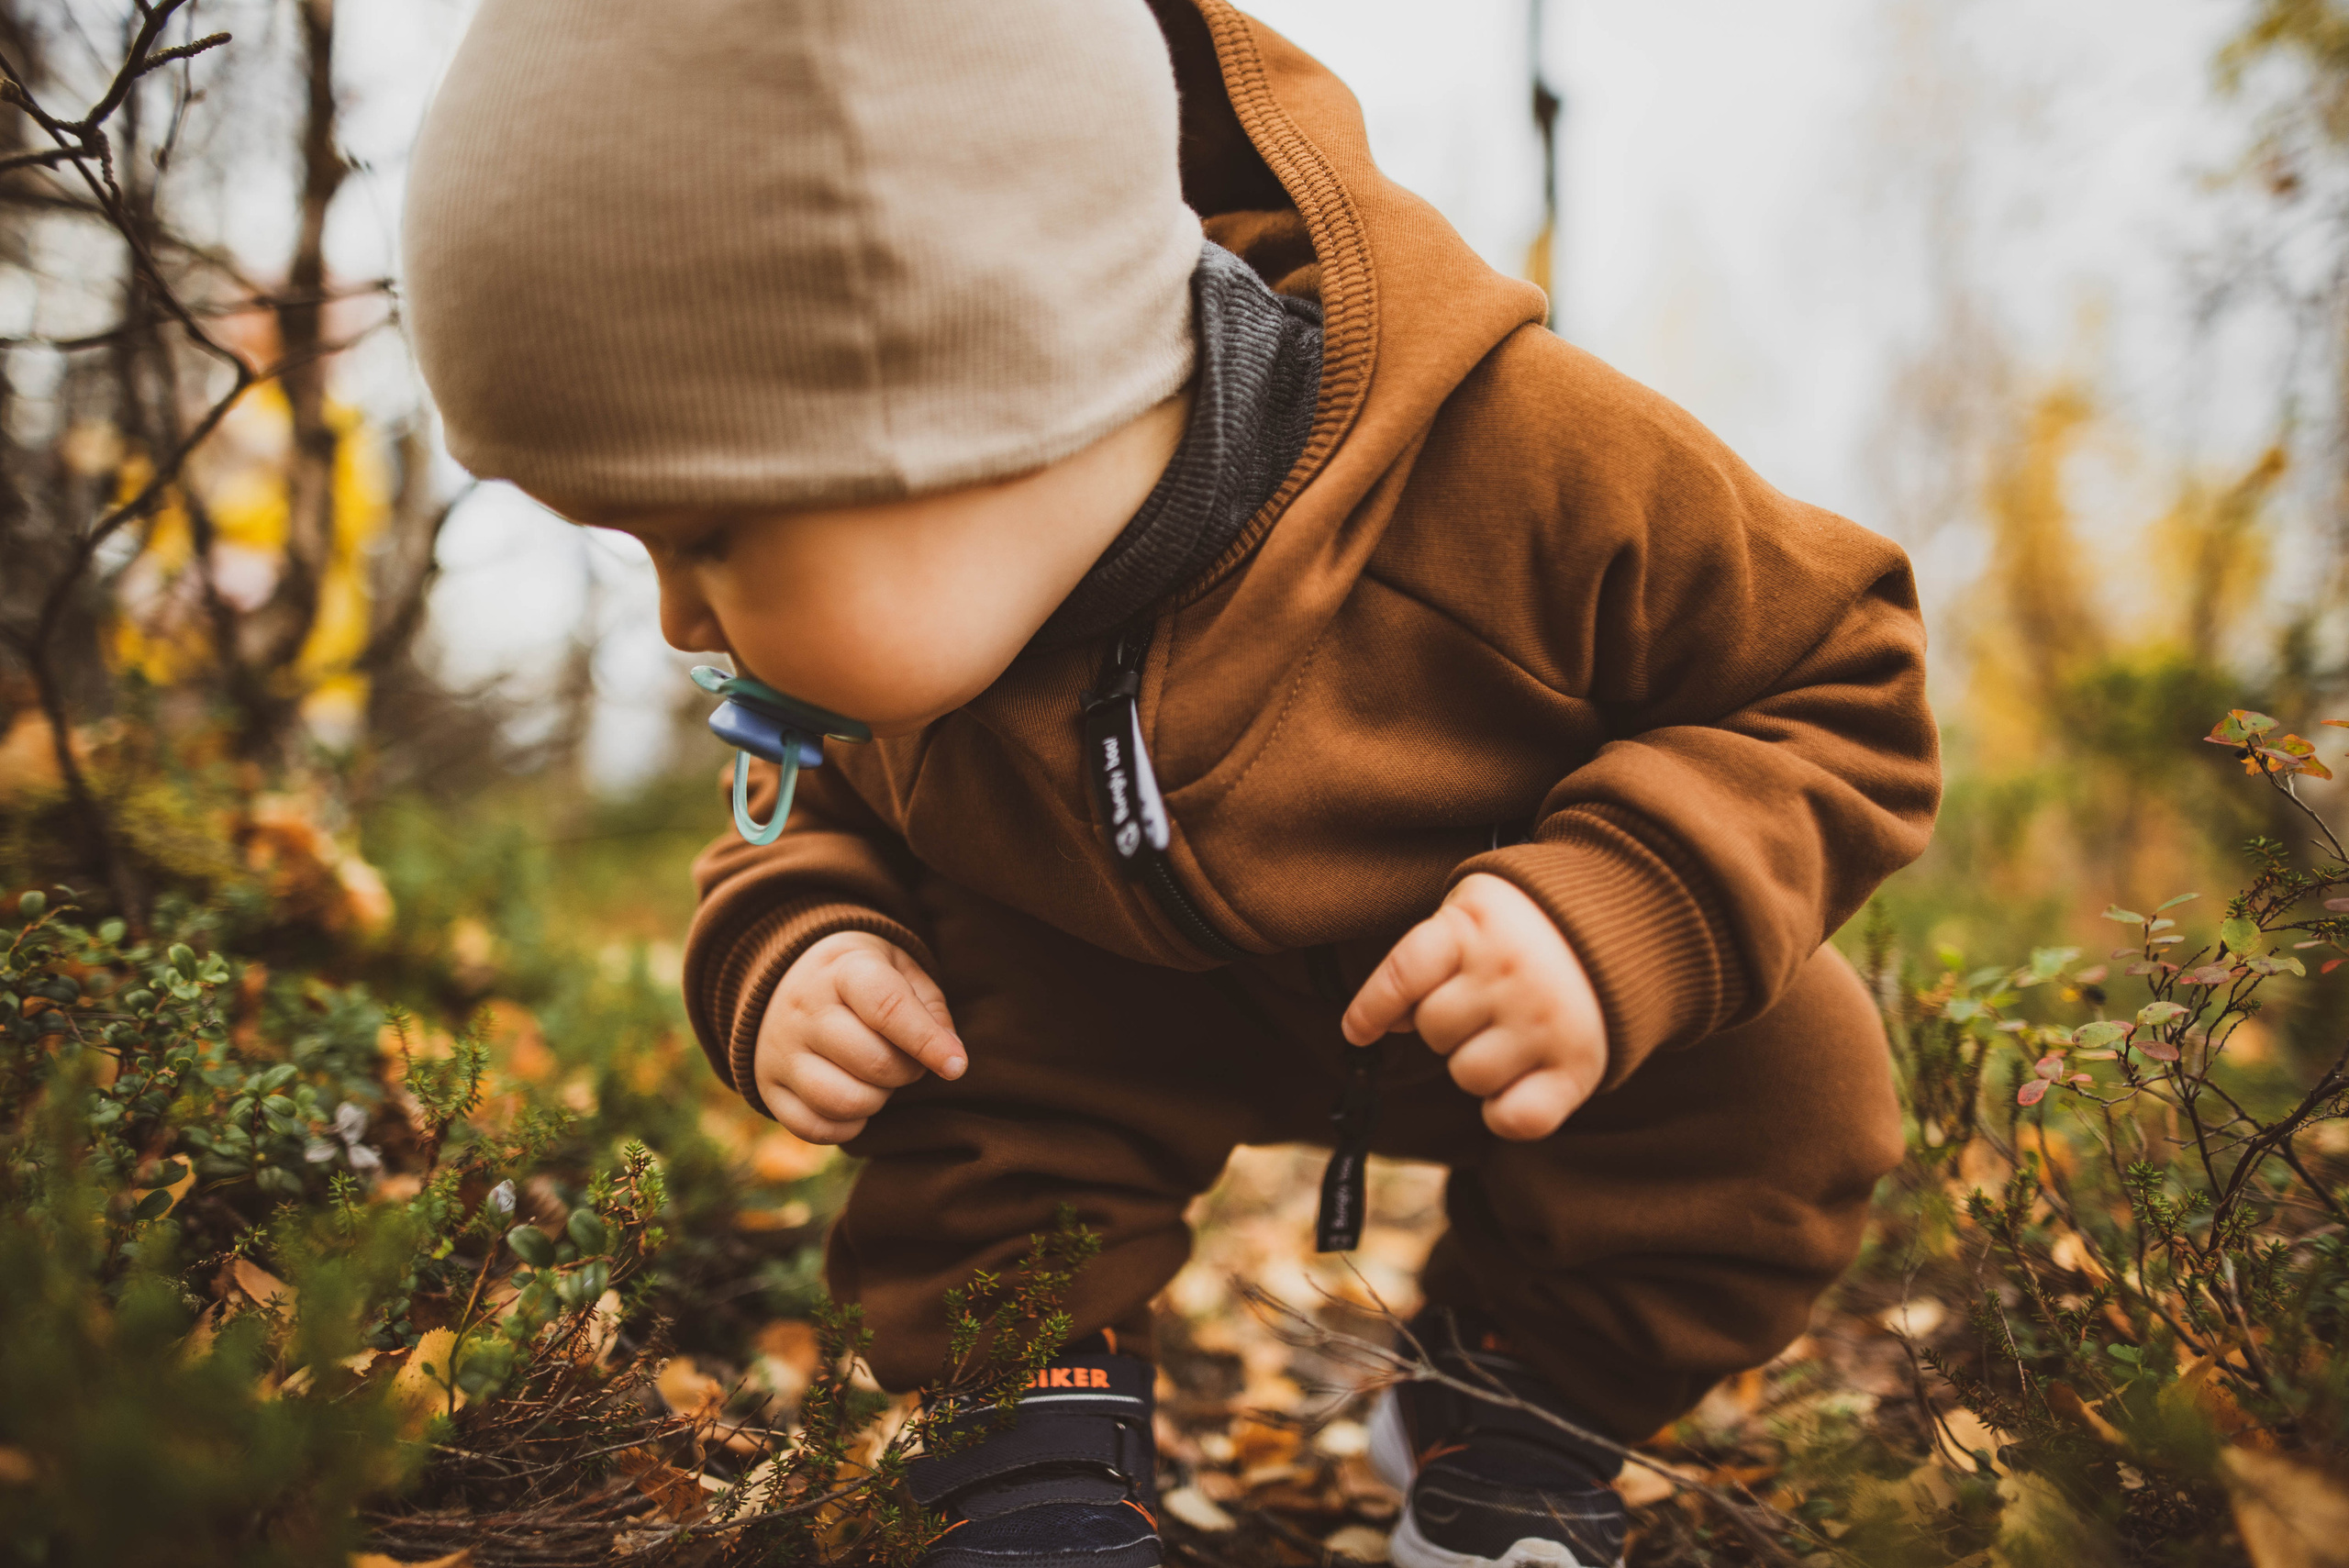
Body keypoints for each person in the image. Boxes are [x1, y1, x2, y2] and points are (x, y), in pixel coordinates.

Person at [402, 1, 1939, 1563]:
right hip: (1100, 1010)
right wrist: (803, 947)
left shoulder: (1522, 460)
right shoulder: (862, 671)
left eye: (711, 536)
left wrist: (1624, 903)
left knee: (1788, 1079)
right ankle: (1032, 1428)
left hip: (1488, 992)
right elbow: (795, 819)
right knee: (947, 1036)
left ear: (976, 397)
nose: (680, 617)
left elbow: (1839, 666)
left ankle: (1516, 1402)